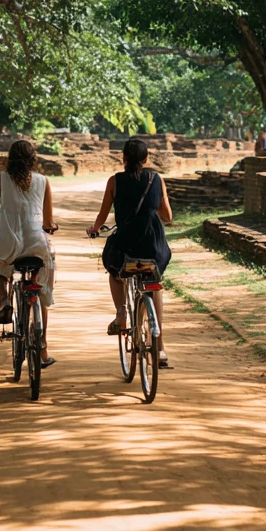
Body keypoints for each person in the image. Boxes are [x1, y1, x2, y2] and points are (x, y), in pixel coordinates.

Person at [87, 138, 173, 368]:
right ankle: (161, 347)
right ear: (146, 160)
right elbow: (168, 216)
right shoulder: (156, 178)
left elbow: (103, 216)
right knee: (154, 282)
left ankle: (121, 312)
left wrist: (94, 229)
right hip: (154, 248)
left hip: (125, 247)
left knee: (114, 270)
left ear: (123, 159)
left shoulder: (115, 181)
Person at [0, 139, 58, 367]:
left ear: (10, 158)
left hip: (8, 244)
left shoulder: (0, 180)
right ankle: (42, 349)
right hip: (37, 245)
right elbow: (47, 222)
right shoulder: (43, 181)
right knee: (40, 290)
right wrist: (50, 226)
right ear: (33, 159)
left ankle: (4, 300)